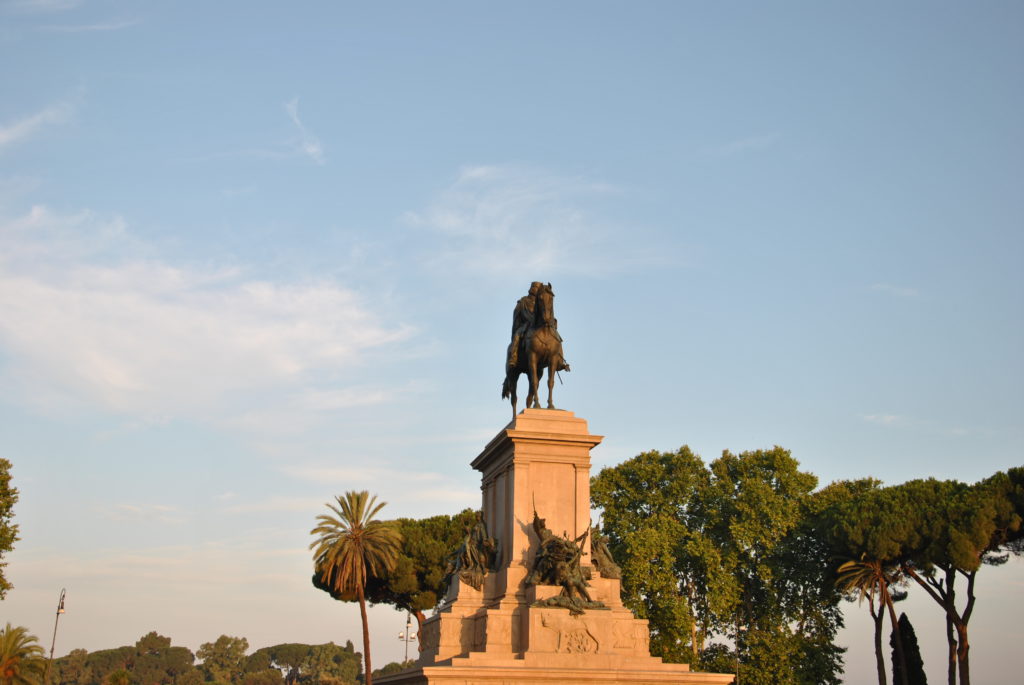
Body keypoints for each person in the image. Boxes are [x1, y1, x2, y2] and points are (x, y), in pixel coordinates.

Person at [507, 282, 542, 369]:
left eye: (537, 288)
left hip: (539, 326)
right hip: (526, 325)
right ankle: (513, 357)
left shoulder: (541, 302)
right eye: (534, 287)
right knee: (517, 336)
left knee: (554, 336)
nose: (535, 290)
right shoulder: (523, 301)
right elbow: (516, 315)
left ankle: (559, 359)